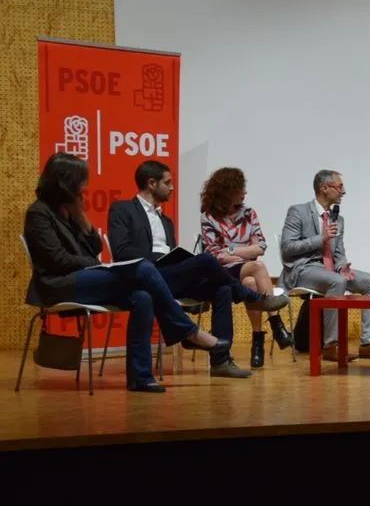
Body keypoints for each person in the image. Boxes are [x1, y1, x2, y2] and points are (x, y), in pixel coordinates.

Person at [23, 153, 229, 393]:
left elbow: (95, 247)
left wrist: (81, 218)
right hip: (58, 285)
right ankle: (188, 331)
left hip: (81, 277)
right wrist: (94, 265)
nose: (84, 187)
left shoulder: (68, 211)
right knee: (143, 267)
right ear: (65, 182)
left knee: (143, 296)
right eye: (81, 181)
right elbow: (57, 260)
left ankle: (140, 378)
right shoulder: (39, 213)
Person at [107, 160, 289, 378]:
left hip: (170, 278)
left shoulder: (166, 221)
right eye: (168, 183)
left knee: (223, 289)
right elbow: (121, 251)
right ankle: (251, 297)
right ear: (151, 184)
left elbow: (259, 246)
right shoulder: (122, 209)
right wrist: (161, 258)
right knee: (205, 260)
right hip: (144, 275)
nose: (172, 188)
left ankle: (221, 361)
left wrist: (176, 259)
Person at [279, 169, 370, 362]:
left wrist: (342, 267)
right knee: (337, 282)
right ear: (325, 188)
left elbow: (338, 251)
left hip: (331, 271)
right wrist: (320, 239)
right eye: (340, 187)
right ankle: (331, 346)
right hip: (304, 269)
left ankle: (367, 343)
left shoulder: (338, 219)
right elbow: (287, 248)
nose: (343, 191)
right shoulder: (298, 211)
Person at [199, 167, 294, 369]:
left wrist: (231, 249)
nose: (244, 193)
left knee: (251, 283)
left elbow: (261, 246)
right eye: (240, 189)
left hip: (244, 270)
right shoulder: (209, 217)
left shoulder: (249, 214)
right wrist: (244, 251)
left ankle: (257, 340)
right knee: (257, 266)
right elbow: (214, 254)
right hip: (222, 271)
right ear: (227, 191)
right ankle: (277, 325)